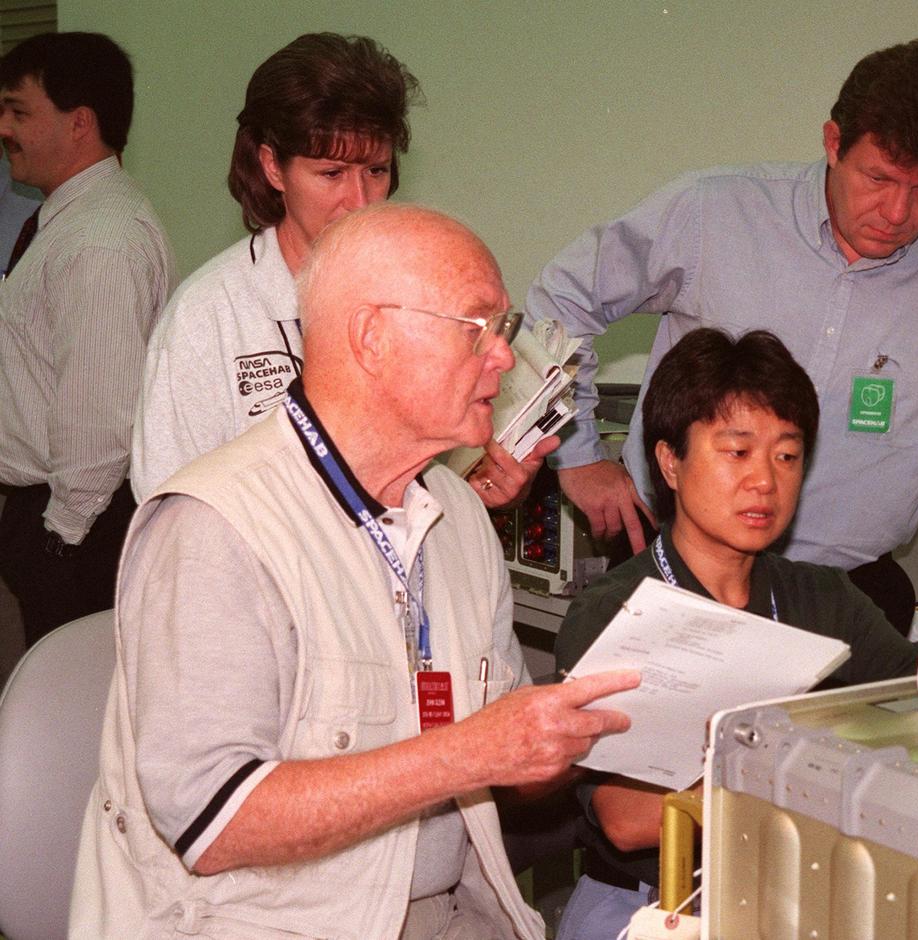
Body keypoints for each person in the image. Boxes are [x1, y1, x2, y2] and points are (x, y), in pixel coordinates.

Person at [70, 203, 641, 939]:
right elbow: (214, 822)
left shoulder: (458, 517)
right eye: (479, 328)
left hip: (450, 911)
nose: (504, 358)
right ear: (372, 337)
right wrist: (470, 751)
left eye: (504, 330)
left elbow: (512, 769)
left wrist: (581, 729)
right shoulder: (216, 526)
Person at [527, 38, 918, 642]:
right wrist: (576, 453)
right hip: (679, 580)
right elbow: (560, 300)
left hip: (850, 599)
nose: (897, 211)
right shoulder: (715, 212)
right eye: (878, 178)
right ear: (833, 144)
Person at [553, 328, 918, 940]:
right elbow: (626, 817)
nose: (766, 481)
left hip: (788, 889)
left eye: (787, 455)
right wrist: (814, 768)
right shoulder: (617, 609)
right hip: (652, 906)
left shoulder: (821, 595)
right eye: (737, 452)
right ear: (670, 461)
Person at [131, 33, 550, 506]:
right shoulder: (208, 317)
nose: (360, 201)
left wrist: (470, 498)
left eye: (376, 170)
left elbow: (423, 480)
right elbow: (169, 510)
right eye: (331, 174)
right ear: (272, 167)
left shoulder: (422, 300)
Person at [0, 32, 174, 647]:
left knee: (55, 723)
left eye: (19, 111)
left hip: (76, 529)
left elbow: (102, 420)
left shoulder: (99, 239)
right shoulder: (73, 224)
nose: (4, 128)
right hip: (59, 520)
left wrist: (56, 540)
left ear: (80, 124)